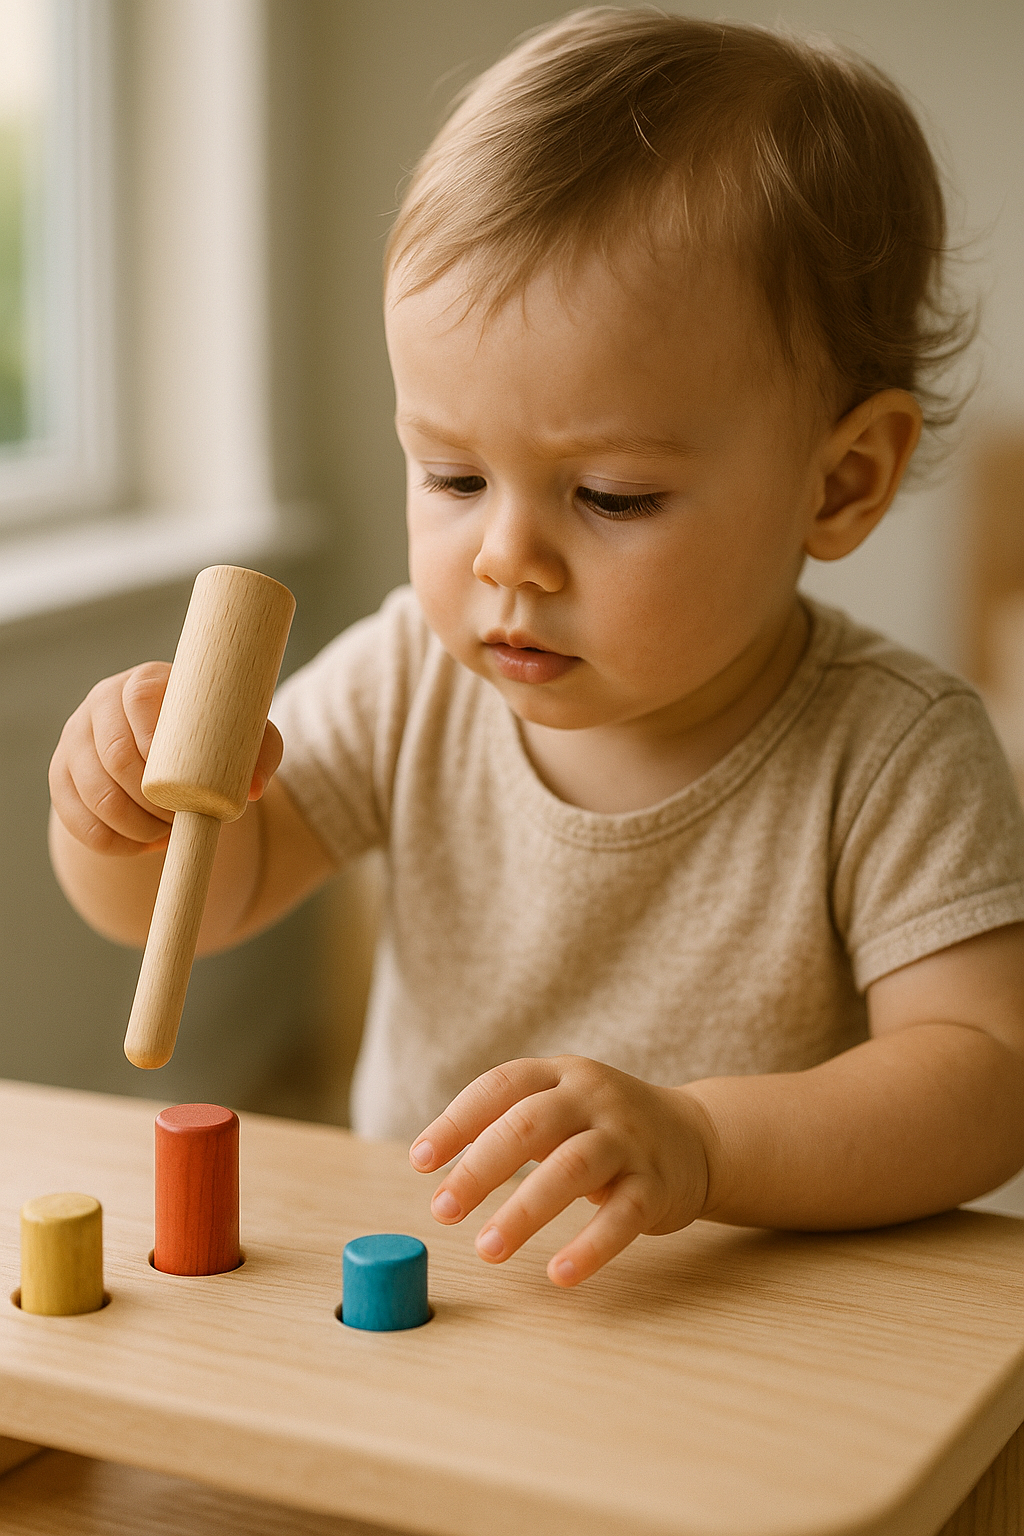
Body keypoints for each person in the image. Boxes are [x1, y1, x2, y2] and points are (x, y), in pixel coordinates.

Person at [49, 10, 1024, 1290]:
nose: (506, 558)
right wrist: (116, 815)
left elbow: (983, 1078)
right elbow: (206, 900)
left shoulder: (895, 750)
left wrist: (702, 1140)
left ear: (838, 484)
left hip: (751, 1309)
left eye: (610, 496)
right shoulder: (414, 673)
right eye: (451, 475)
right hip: (439, 1286)